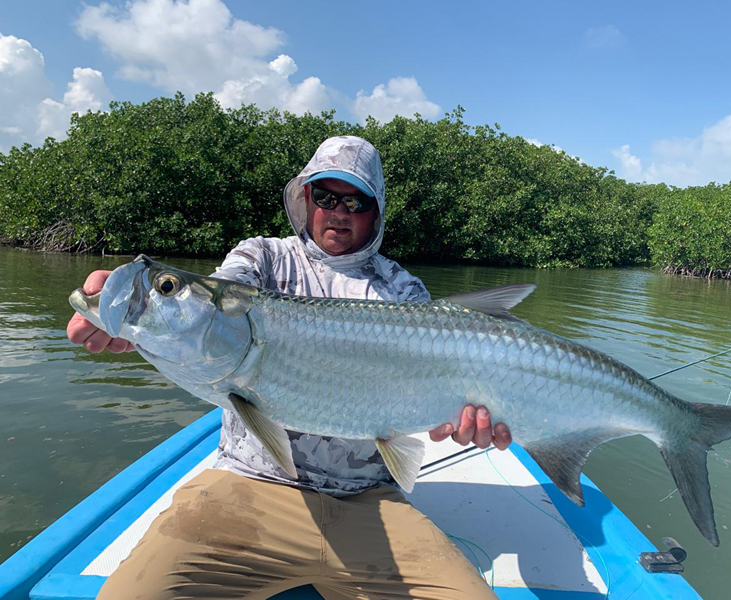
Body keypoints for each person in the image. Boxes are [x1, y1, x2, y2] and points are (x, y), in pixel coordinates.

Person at [67, 136, 512, 599]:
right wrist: (131, 318)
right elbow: (217, 299)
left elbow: (449, 386)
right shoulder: (261, 257)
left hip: (370, 502)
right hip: (247, 489)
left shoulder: (401, 288)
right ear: (306, 199)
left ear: (376, 213)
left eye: (356, 201)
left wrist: (467, 420)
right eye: (326, 196)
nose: (339, 211)